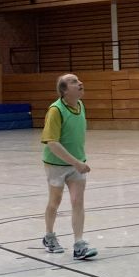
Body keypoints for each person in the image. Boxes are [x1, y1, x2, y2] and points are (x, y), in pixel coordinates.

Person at [40, 74, 97, 260]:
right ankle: (49, 236)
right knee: (55, 201)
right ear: (64, 90)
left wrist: (78, 162)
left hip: (77, 163)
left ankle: (79, 244)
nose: (80, 83)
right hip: (56, 164)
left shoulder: (81, 106)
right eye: (74, 82)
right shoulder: (55, 110)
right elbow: (52, 143)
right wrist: (76, 163)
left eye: (79, 80)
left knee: (77, 201)